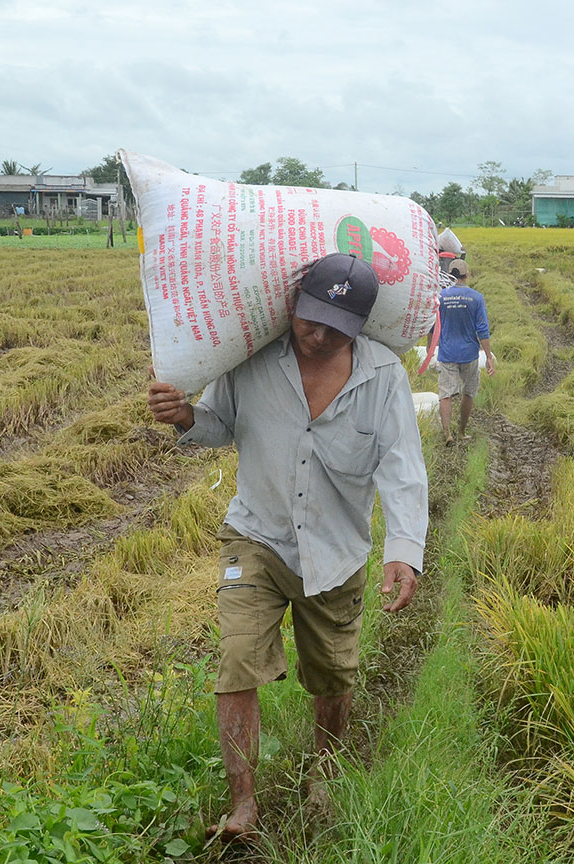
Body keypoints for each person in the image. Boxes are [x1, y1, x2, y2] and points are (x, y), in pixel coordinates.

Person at [146, 252, 427, 842]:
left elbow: (402, 468)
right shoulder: (250, 360)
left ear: (359, 326)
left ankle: (324, 769)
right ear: (294, 304)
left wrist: (403, 548)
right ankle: (242, 803)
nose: (317, 334)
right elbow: (218, 424)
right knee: (236, 662)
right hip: (256, 536)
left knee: (330, 675)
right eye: (311, 318)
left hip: (338, 550)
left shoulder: (383, 378)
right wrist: (184, 417)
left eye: (336, 326)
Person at [436, 259, 496, 445]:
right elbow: (482, 330)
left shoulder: (441, 296)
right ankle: (461, 431)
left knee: (445, 394)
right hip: (469, 352)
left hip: (447, 352)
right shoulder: (476, 298)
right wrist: (488, 356)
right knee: (468, 392)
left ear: (450, 275)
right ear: (467, 275)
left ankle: (447, 434)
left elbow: (433, 324)